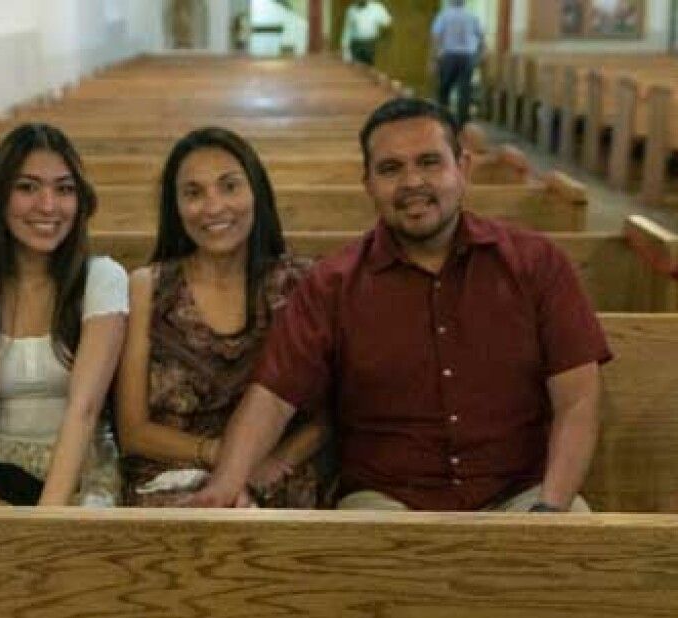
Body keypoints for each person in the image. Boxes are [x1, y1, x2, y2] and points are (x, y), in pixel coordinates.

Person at [189, 98, 611, 512]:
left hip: (522, 494)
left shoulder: (536, 263)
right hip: (387, 501)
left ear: (462, 168)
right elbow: (273, 398)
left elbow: (577, 399)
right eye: (390, 169)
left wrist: (550, 509)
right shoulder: (332, 284)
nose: (412, 182)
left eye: (429, 162)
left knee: (573, 537)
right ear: (369, 184)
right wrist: (226, 484)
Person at [115, 127, 330, 508]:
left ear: (256, 192)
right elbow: (133, 431)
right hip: (172, 475)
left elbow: (330, 414)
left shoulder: (300, 283)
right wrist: (224, 457)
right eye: (193, 193)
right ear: (175, 206)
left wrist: (274, 463)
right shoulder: (148, 287)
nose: (213, 207)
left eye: (229, 186)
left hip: (278, 473)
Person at [0, 123, 127, 506]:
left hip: (79, 469)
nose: (48, 206)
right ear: (0, 197)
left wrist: (43, 522)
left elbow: (84, 411)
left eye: (64, 189)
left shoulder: (102, 278)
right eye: (27, 187)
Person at [431, 0, 485, 125]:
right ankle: (463, 123)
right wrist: (479, 55)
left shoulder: (444, 16)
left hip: (449, 56)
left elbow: (436, 37)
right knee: (465, 90)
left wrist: (434, 59)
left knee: (444, 89)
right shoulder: (472, 16)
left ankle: (443, 120)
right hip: (467, 57)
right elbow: (481, 38)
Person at [341, 0, 393, 66]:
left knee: (369, 69)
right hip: (356, 44)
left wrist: (383, 42)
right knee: (356, 68)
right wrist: (346, 50)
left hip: (370, 44)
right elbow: (347, 31)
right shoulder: (351, 10)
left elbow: (388, 25)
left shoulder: (377, 7)